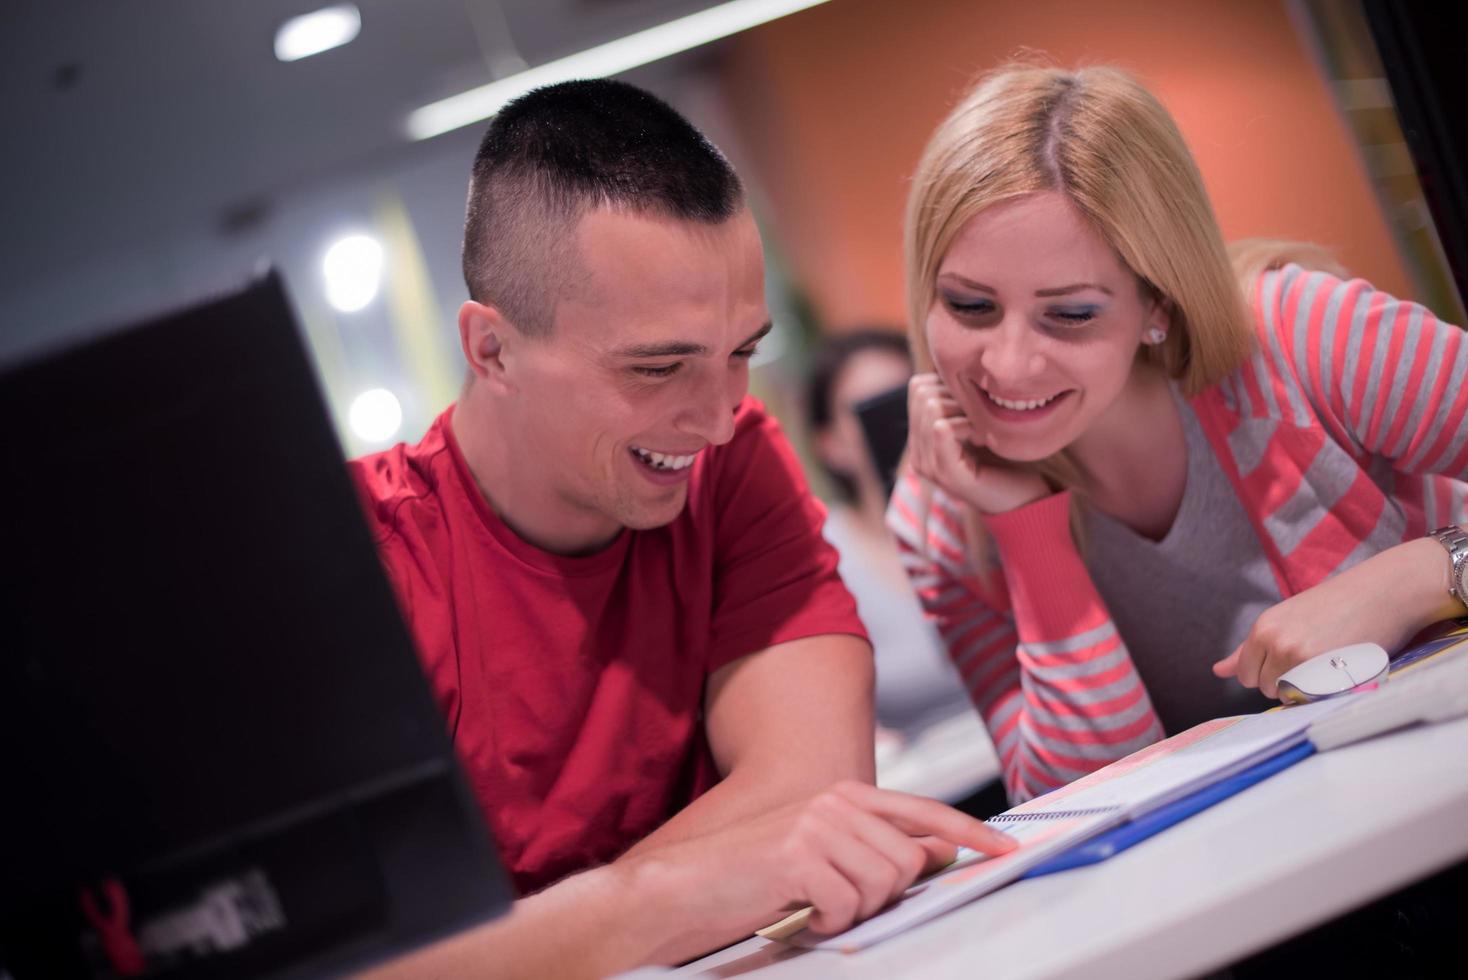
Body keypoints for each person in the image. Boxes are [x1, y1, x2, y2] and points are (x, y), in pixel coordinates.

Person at [350, 78, 1015, 972]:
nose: (714, 417)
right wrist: (659, 901)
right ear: (492, 350)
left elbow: (815, 787)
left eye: (741, 352)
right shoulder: (359, 566)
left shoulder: (733, 459)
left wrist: (539, 941)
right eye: (658, 369)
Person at [889, 63, 1468, 805]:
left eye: (1070, 315)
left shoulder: (1301, 337)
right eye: (969, 306)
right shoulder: (940, 511)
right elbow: (1083, 801)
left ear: (1156, 303)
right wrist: (1024, 526)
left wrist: (1424, 574)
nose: (1007, 364)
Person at [806, 331, 990, 742]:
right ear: (830, 444)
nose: (897, 422)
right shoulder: (822, 563)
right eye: (867, 411)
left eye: (905, 399)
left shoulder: (993, 506)